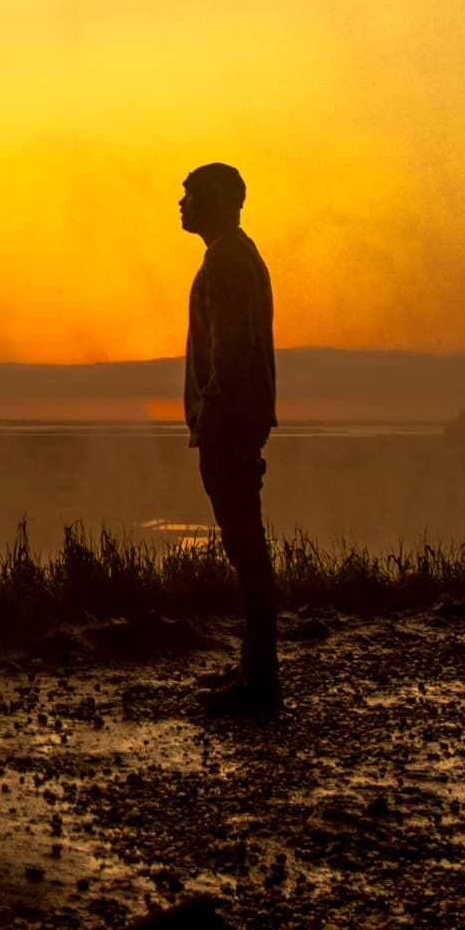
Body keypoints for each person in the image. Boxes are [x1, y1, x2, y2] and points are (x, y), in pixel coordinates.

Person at [178, 160, 279, 715]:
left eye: (189, 192)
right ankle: (256, 669)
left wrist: (212, 418)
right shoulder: (238, 253)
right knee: (248, 547)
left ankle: (259, 681)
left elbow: (230, 351)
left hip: (230, 425)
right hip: (238, 422)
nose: (181, 202)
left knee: (247, 548)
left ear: (215, 200)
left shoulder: (226, 260)